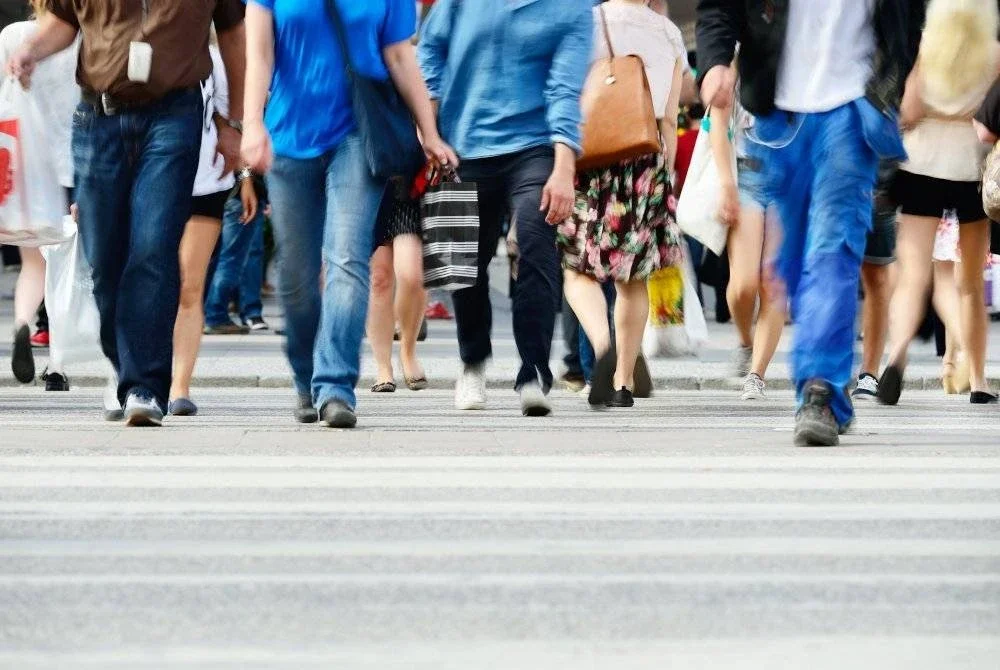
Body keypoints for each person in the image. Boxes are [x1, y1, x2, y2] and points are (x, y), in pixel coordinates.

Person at [7, 0, 247, 427]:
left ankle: (144, 387)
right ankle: (126, 363)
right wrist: (32, 51)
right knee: (105, 256)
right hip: (99, 118)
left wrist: (235, 122)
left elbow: (233, 34)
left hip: (174, 115)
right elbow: (64, 22)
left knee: (154, 244)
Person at [698, 0, 923, 445]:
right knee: (793, 264)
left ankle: (818, 389)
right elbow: (719, 7)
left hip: (852, 105)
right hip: (776, 114)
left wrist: (911, 71)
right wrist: (716, 62)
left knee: (831, 248)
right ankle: (832, 388)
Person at [242, 0, 456, 429]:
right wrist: (251, 124)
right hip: (289, 136)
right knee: (299, 277)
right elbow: (260, 53)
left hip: (359, 134)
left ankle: (336, 387)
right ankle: (306, 376)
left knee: (347, 257)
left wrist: (429, 132)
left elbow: (399, 55)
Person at [419, 0, 592, 416]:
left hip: (534, 147)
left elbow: (565, 89)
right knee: (463, 261)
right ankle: (472, 362)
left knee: (534, 238)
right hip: (461, 144)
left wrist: (565, 166)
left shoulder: (573, 9)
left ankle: (533, 372)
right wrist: (429, 127)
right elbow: (429, 51)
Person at [558, 0, 684, 408]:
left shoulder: (586, 22)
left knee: (578, 270)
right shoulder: (669, 35)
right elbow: (667, 119)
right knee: (633, 279)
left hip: (592, 160)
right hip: (645, 163)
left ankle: (599, 347)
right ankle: (624, 380)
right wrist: (666, 178)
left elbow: (566, 94)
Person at [880, 0, 999, 406]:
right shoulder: (994, 53)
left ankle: (896, 357)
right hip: (971, 169)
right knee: (969, 284)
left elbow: (909, 109)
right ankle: (980, 380)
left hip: (922, 164)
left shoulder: (926, 45)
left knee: (913, 276)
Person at [168, 44, 258, 418]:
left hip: (207, 182)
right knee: (150, 281)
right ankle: (136, 377)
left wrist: (246, 177)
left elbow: (233, 121)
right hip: (150, 179)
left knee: (190, 285)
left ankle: (179, 387)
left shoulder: (215, 57)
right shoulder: (140, 44)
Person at [0, 0, 78, 391]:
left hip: (30, 167)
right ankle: (59, 364)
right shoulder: (84, 38)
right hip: (79, 161)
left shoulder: (13, 37)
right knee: (73, 268)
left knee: (35, 264)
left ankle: (21, 324)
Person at [710, 87, 786, 401]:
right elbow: (717, 120)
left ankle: (757, 374)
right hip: (747, 176)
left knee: (774, 281)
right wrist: (727, 184)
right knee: (743, 284)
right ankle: (745, 341)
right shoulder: (737, 60)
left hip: (790, 179)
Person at [366, 180, 428, 394]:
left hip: (411, 181)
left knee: (412, 275)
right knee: (379, 278)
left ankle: (408, 349)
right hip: (373, 177)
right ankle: (383, 367)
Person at [852, 161, 900, 401]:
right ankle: (825, 373)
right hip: (827, 181)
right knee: (830, 277)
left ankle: (869, 373)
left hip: (877, 185)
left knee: (876, 279)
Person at [204, 176, 269, 335]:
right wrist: (246, 183)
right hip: (241, 197)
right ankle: (216, 315)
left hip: (230, 195)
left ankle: (213, 313)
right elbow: (241, 155)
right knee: (231, 260)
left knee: (224, 259)